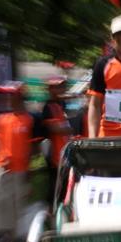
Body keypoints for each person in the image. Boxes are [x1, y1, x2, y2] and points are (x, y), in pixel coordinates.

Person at [0, 83, 35, 242]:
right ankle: (5, 236)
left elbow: (32, 147)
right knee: (2, 203)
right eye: (7, 96)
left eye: (11, 96)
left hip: (20, 169)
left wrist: (29, 168)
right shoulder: (1, 120)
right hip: (3, 168)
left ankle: (16, 236)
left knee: (17, 203)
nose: (8, 100)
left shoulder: (28, 120)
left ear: (19, 97)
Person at [41, 76, 72, 204]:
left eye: (63, 86)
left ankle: (63, 206)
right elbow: (54, 129)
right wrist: (73, 128)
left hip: (64, 149)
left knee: (65, 182)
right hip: (53, 151)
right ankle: (52, 210)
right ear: (50, 89)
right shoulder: (48, 107)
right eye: (58, 86)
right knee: (55, 184)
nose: (62, 88)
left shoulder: (62, 104)